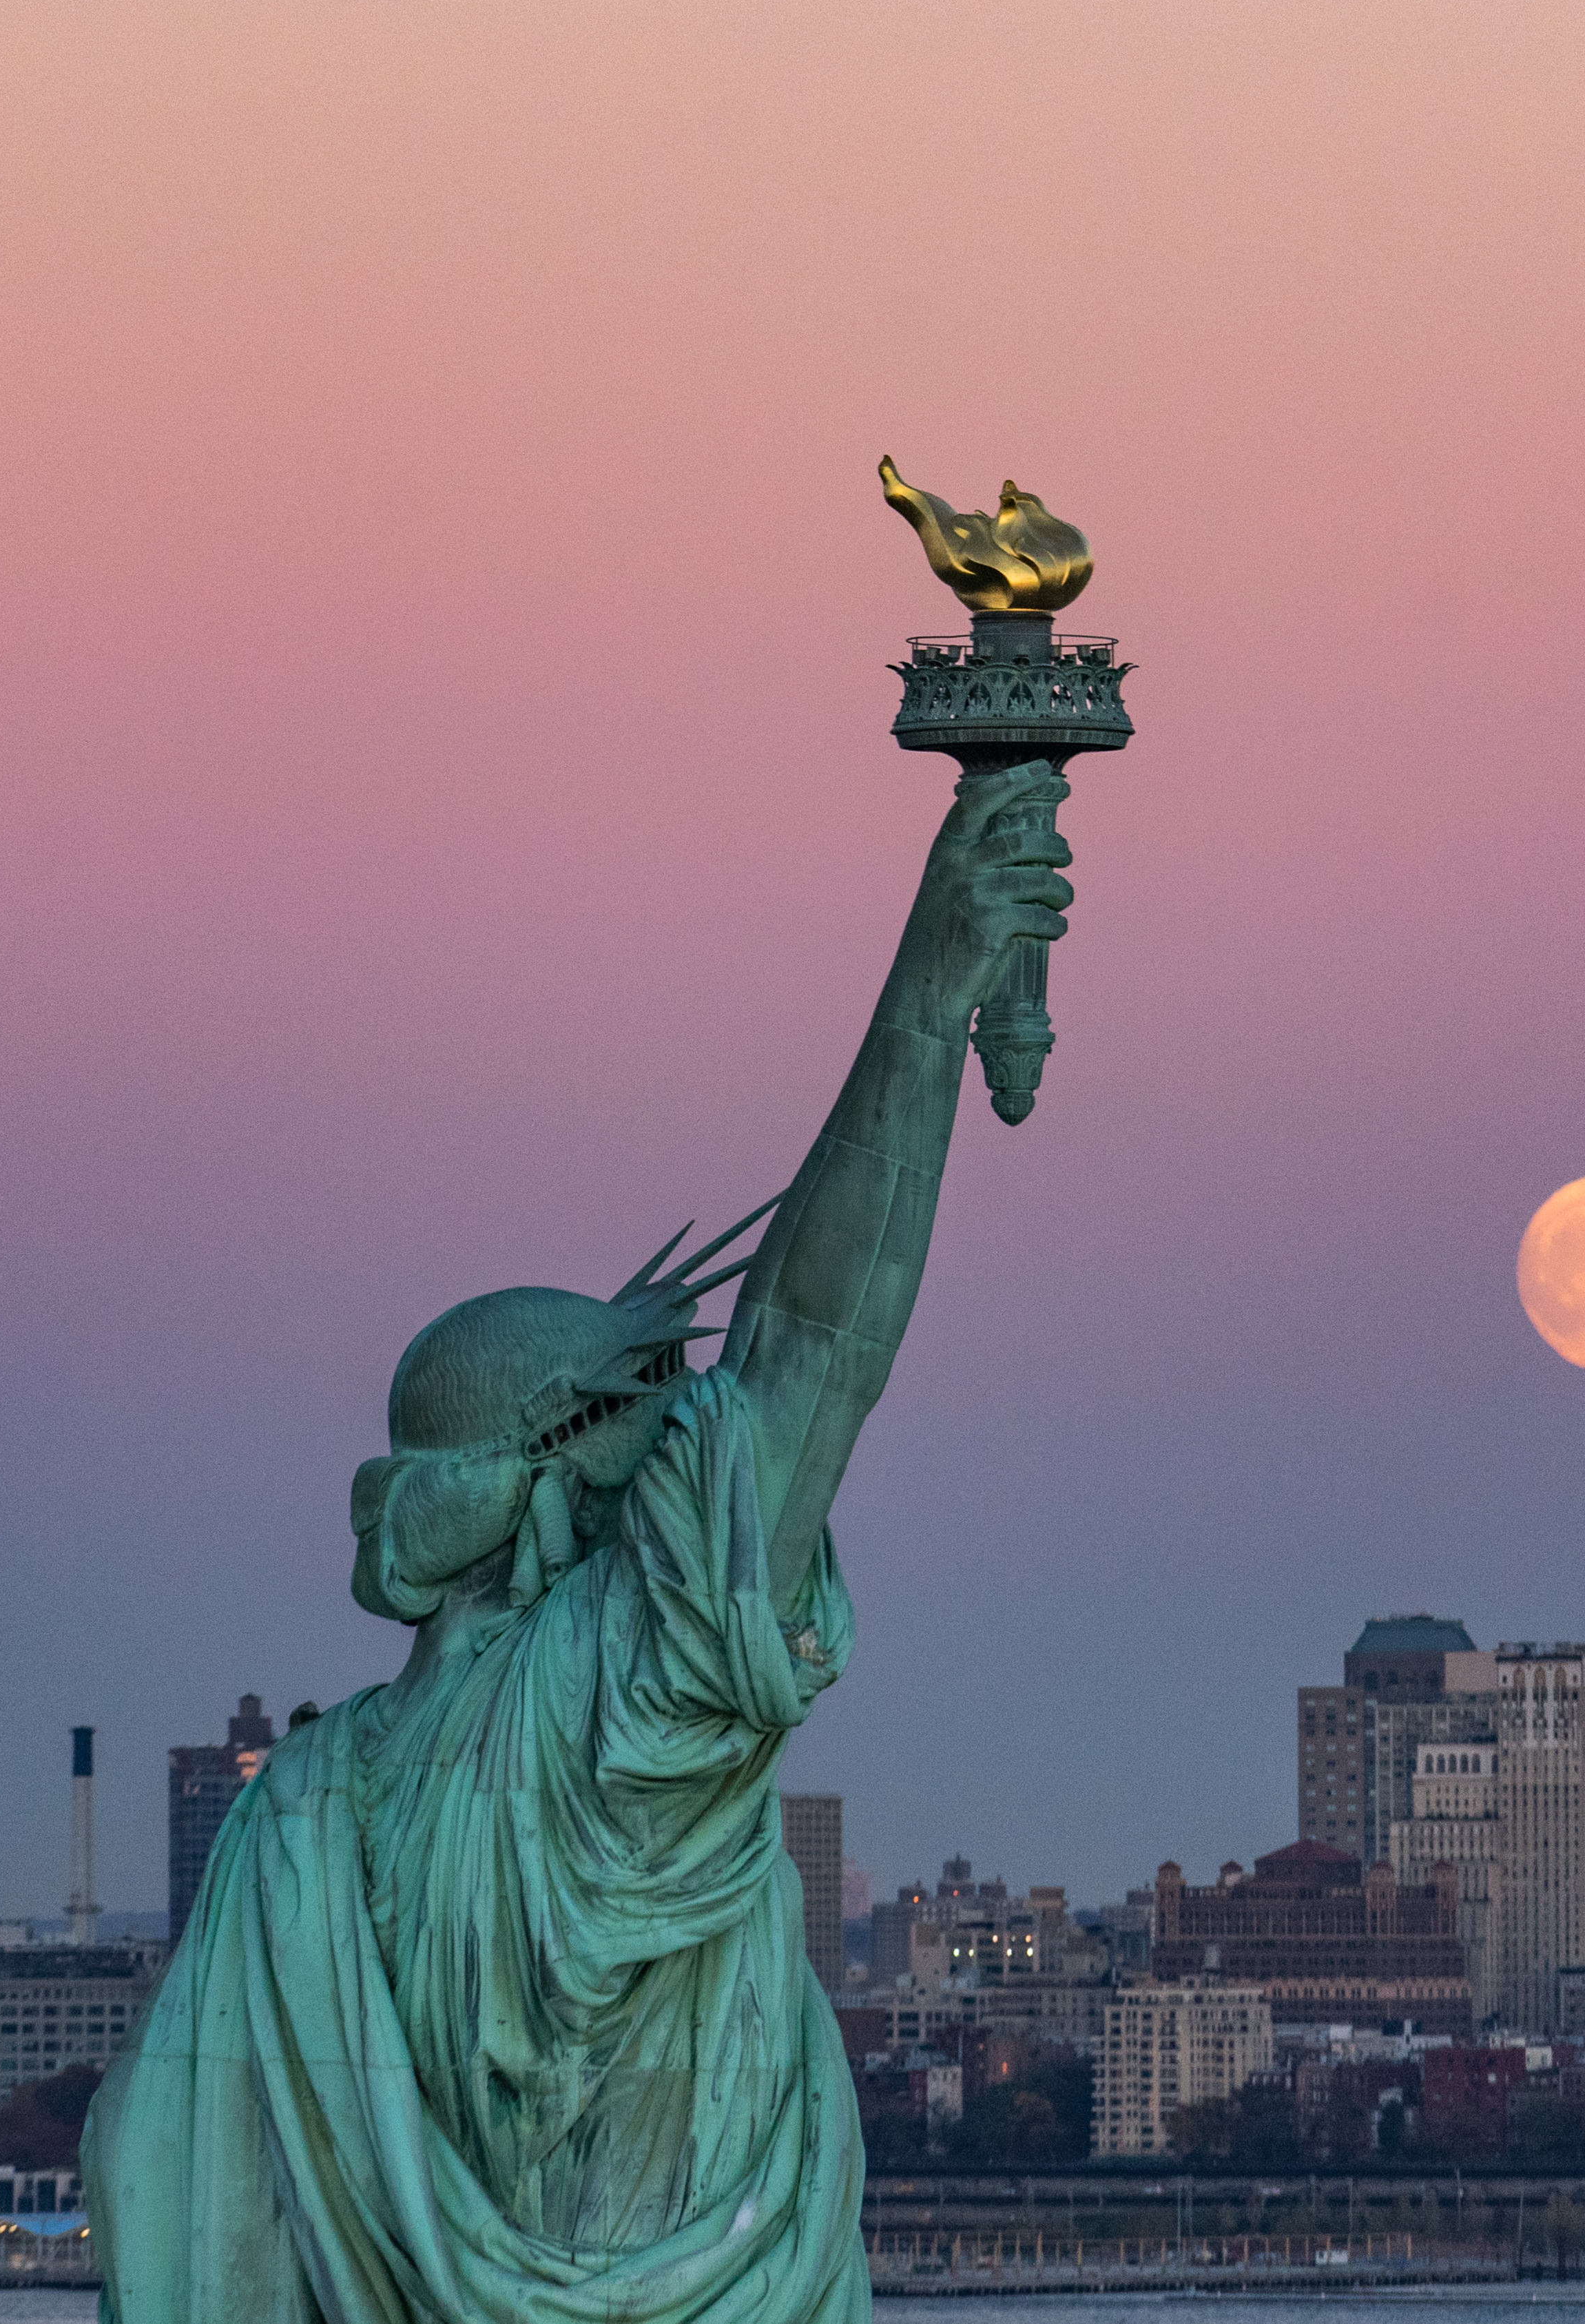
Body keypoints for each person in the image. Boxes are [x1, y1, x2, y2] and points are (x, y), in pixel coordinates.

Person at [88, 762, 1076, 2324]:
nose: (685, 1431)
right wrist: (926, 996)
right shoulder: (589, 1723)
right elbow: (810, 1351)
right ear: (546, 1480)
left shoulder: (308, 1812)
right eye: (642, 1407)